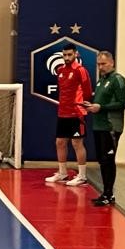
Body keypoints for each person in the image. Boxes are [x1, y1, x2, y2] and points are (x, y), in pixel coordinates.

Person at [45, 43, 93, 186]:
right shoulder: (60, 70)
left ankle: (82, 176)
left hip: (76, 113)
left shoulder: (80, 70)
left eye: (69, 55)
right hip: (63, 113)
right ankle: (62, 173)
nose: (67, 57)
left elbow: (87, 91)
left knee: (77, 143)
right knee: (60, 142)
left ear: (76, 54)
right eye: (64, 55)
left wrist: (81, 106)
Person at [86, 49, 125, 206]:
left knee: (108, 160)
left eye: (103, 64)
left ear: (112, 63)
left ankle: (109, 194)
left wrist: (101, 107)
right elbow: (100, 102)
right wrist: (91, 105)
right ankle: (106, 192)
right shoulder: (101, 81)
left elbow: (123, 103)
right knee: (102, 160)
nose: (100, 67)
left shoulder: (118, 80)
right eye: (98, 64)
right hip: (98, 125)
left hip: (111, 126)